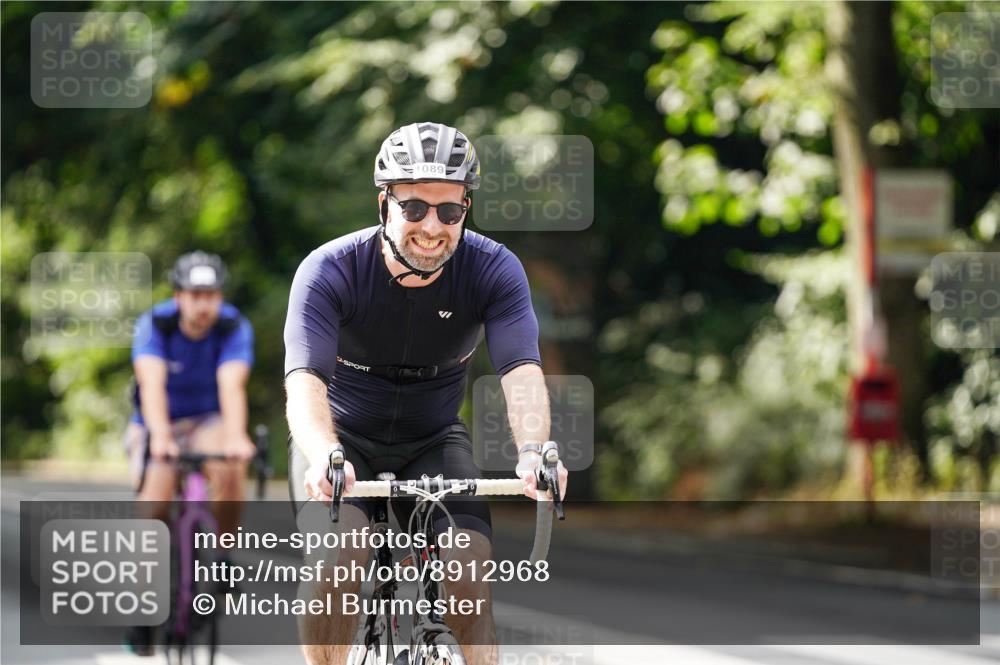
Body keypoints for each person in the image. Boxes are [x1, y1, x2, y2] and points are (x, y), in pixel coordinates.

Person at [284, 122, 568, 665]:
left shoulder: (494, 269)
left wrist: (534, 450)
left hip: (433, 438)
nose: (432, 227)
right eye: (414, 208)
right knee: (336, 562)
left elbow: (521, 371)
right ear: (384, 203)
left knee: (468, 576)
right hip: (344, 443)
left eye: (449, 211)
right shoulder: (329, 270)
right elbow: (305, 381)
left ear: (466, 207)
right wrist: (325, 456)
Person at [124, 251, 256, 655]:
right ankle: (144, 610)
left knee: (230, 464)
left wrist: (237, 437)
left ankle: (222, 554)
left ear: (220, 297)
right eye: (195, 295)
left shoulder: (233, 326)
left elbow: (231, 384)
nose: (203, 305)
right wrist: (161, 437)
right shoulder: (156, 324)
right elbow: (151, 384)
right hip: (157, 422)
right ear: (178, 296)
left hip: (207, 420)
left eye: (211, 295)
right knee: (154, 504)